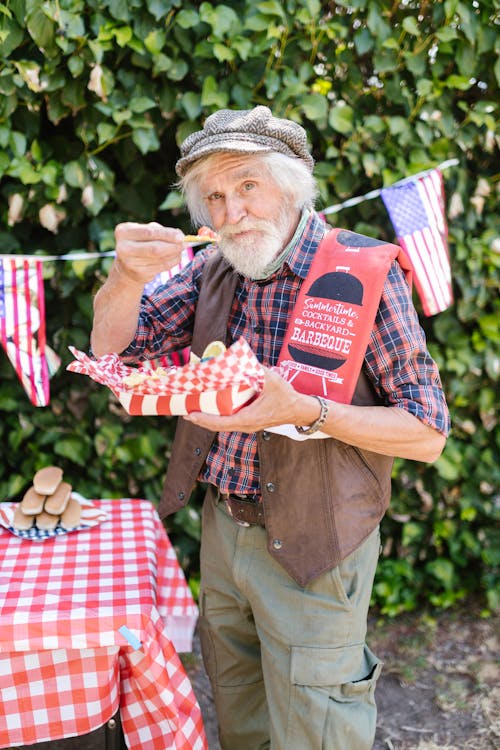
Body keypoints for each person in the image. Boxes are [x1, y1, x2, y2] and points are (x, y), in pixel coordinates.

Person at [91, 106, 450, 750]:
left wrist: (307, 412)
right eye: (216, 198)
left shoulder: (366, 271)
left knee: (318, 726)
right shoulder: (216, 268)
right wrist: (123, 279)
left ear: (291, 185)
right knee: (241, 715)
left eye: (247, 186)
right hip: (224, 531)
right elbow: (118, 360)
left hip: (318, 544)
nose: (231, 215)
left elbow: (427, 433)